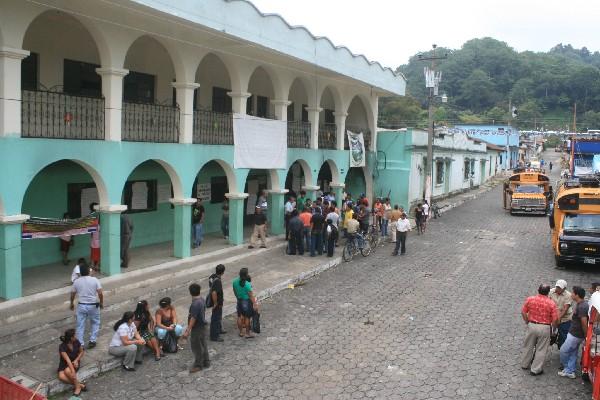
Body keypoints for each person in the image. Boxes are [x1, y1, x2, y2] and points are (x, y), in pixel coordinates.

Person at [520, 284, 559, 376]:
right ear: (548, 292)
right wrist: (554, 330)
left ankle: (525, 364)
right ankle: (535, 369)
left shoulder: (530, 299)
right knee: (541, 349)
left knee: (528, 345)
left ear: (538, 290)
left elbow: (523, 311)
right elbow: (555, 319)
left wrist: (527, 321)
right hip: (544, 327)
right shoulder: (551, 303)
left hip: (532, 325)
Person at [70, 264, 103, 349]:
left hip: (81, 305)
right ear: (89, 271)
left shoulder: (76, 281)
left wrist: (71, 303)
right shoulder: (95, 280)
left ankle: (80, 343)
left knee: (80, 325)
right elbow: (100, 293)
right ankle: (92, 340)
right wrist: (101, 302)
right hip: (93, 305)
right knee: (95, 322)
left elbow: (72, 294)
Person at [559, 286, 589, 379]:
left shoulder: (582, 306)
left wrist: (586, 336)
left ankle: (567, 367)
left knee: (563, 351)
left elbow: (584, 322)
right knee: (573, 352)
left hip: (575, 335)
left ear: (577, 295)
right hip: (574, 333)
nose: (571, 294)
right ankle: (570, 371)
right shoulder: (581, 304)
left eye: (573, 293)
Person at [183, 283, 210, 373]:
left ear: (190, 292)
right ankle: (206, 361)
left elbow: (193, 318)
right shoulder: (202, 300)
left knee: (196, 347)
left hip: (197, 327)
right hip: (202, 326)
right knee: (203, 344)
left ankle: (198, 365)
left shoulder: (195, 304)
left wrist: (187, 330)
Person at [57, 328, 86, 396]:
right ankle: (79, 385)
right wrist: (73, 372)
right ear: (71, 338)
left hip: (74, 362)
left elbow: (82, 352)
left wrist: (76, 360)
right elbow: (67, 360)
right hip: (64, 364)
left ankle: (77, 388)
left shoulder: (76, 342)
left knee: (67, 371)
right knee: (61, 376)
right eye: (75, 335)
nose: (76, 336)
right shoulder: (62, 347)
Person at [233, 268, 258, 339]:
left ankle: (241, 332)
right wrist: (255, 304)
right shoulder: (247, 284)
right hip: (246, 301)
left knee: (239, 316)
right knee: (247, 317)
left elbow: (234, 291)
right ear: (246, 275)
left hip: (239, 300)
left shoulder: (234, 282)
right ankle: (247, 333)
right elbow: (251, 295)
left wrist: (237, 297)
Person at [548, 279, 572, 349]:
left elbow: (565, 309)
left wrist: (558, 318)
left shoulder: (568, 295)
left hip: (564, 317)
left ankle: (562, 348)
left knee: (563, 335)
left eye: (559, 288)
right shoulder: (551, 292)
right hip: (553, 316)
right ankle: (553, 336)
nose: (557, 289)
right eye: (557, 287)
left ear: (564, 289)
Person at [209, 264, 226, 342]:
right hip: (217, 302)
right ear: (222, 272)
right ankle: (214, 336)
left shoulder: (212, 277)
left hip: (216, 301)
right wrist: (216, 303)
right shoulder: (218, 281)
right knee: (215, 318)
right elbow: (214, 292)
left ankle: (219, 329)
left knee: (218, 317)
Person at [89, 203, 100, 270]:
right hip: (97, 241)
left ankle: (93, 264)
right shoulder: (97, 226)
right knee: (98, 254)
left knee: (93, 253)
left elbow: (91, 233)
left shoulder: (92, 225)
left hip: (93, 240)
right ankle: (96, 265)